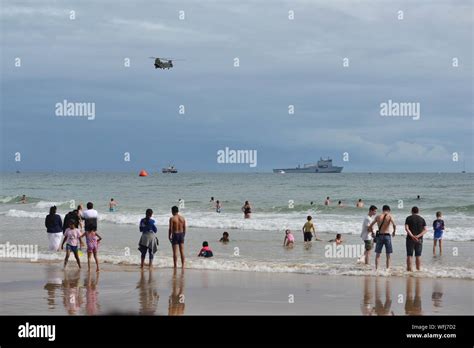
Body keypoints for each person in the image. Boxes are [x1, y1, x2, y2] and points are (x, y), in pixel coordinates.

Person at [369, 205, 396, 270]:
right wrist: (394, 232)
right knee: (388, 254)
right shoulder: (389, 216)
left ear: (382, 210)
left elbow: (371, 225)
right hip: (387, 236)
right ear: (388, 210)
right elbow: (394, 225)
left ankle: (377, 269)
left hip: (380, 236)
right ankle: (387, 269)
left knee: (378, 254)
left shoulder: (378, 216)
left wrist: (372, 232)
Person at [405, 206, 427, 272]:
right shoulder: (422, 219)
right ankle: (418, 270)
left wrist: (412, 236)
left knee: (409, 255)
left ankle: (409, 270)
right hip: (419, 239)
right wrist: (418, 236)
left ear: (411, 211)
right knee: (418, 256)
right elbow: (425, 230)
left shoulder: (408, 218)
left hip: (410, 239)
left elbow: (406, 228)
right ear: (418, 211)